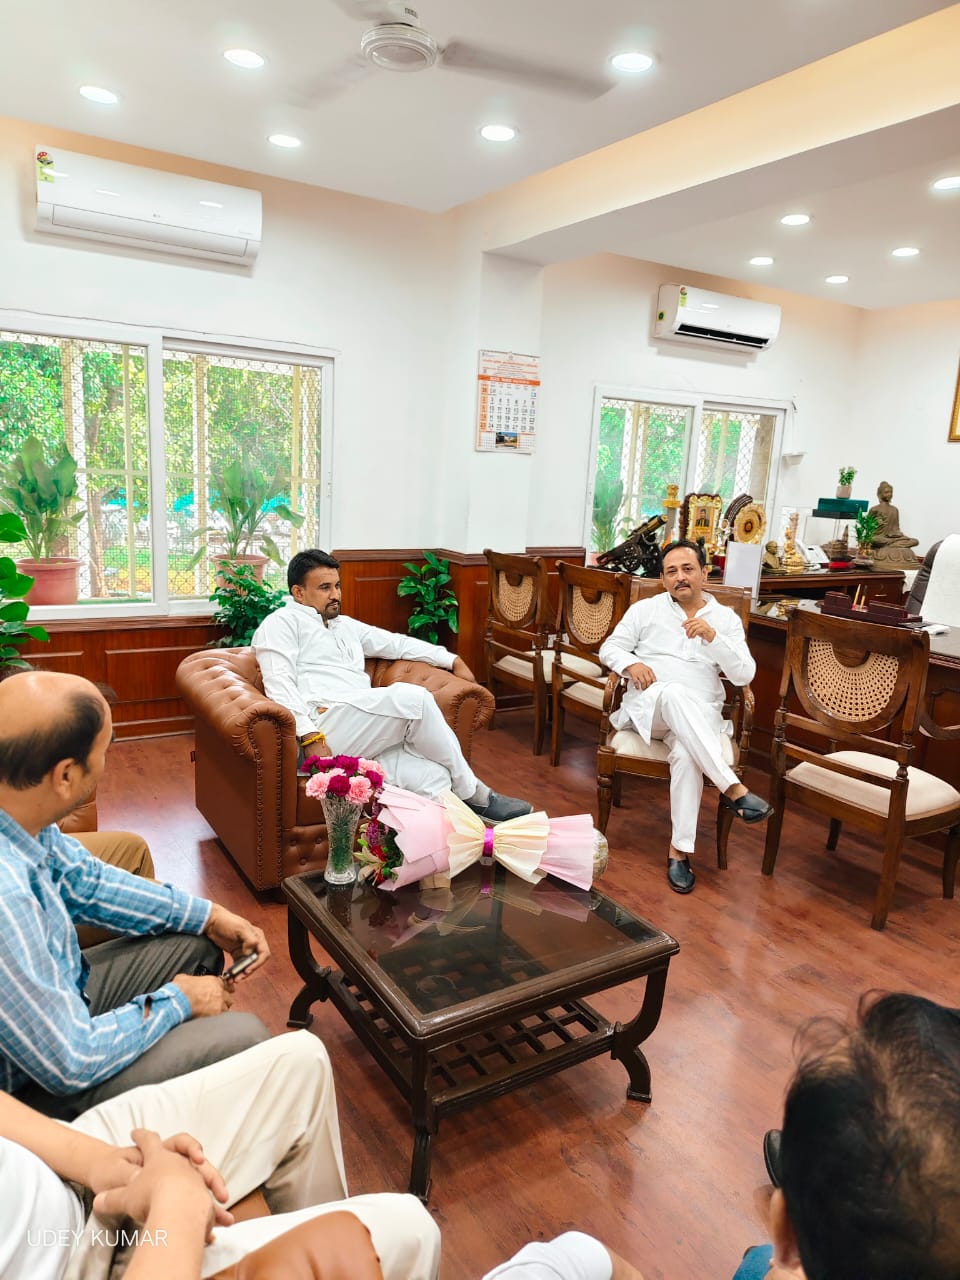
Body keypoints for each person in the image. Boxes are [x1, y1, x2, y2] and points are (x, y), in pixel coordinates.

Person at [0, 670, 270, 1119]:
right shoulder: (7, 895)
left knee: (197, 944)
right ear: (65, 775)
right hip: (29, 1096)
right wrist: (178, 1002)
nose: (107, 763)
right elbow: (71, 1062)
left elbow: (87, 882)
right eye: (104, 749)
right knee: (247, 1036)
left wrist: (208, 915)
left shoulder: (20, 818)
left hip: (61, 1009)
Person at [0, 1030, 440, 1279]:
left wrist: (100, 1162)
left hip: (56, 1165)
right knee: (411, 1229)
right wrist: (177, 1202)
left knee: (303, 1060)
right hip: (78, 1264)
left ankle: (299, 1224)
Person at [252, 549, 531, 823]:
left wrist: (451, 659)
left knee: (434, 779)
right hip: (322, 728)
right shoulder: (281, 623)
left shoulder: (344, 626)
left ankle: (474, 840)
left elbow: (397, 643)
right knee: (415, 701)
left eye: (337, 586)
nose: (335, 594)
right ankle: (476, 794)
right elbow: (279, 683)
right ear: (299, 592)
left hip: (363, 728)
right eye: (325, 588)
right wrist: (310, 736)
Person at [598, 540, 773, 894]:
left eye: (688, 569)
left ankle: (679, 852)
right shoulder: (645, 610)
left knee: (687, 753)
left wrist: (714, 639)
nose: (680, 577)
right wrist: (631, 664)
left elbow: (744, 674)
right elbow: (609, 648)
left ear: (704, 573)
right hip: (650, 710)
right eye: (671, 571)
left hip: (700, 719)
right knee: (673, 691)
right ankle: (733, 789)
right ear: (663, 579)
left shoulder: (725, 620)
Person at [867, 480, 920, 567]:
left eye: (891, 492)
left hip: (892, 538)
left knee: (915, 541)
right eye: (886, 492)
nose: (889, 494)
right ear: (879, 494)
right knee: (872, 539)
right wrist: (877, 524)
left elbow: (896, 528)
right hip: (879, 537)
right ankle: (893, 545)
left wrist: (897, 534)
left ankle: (892, 545)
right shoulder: (874, 509)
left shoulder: (894, 509)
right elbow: (868, 529)